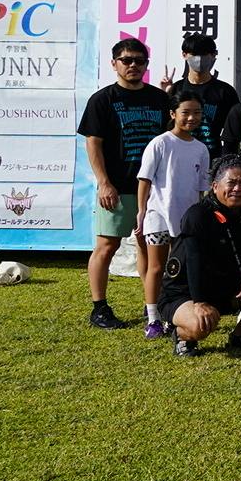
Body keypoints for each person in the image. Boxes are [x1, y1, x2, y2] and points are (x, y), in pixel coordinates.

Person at [78, 38, 171, 329]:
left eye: (139, 61)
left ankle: (152, 304)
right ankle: (99, 308)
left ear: (146, 64)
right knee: (107, 245)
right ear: (114, 63)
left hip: (153, 188)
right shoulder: (102, 99)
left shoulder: (160, 99)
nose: (133, 65)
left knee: (148, 244)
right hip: (118, 187)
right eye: (126, 60)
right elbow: (93, 143)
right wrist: (104, 182)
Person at [160, 156, 241, 357]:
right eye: (231, 183)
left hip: (227, 289)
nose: (237, 189)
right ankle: (182, 334)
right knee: (200, 326)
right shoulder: (198, 215)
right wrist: (200, 302)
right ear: (215, 186)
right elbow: (194, 262)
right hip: (185, 293)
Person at [135, 88, 212, 339]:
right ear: (173, 114)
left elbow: (201, 189)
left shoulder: (201, 149)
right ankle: (153, 318)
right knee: (157, 267)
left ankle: (172, 314)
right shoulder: (160, 143)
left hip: (186, 220)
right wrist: (142, 211)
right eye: (185, 112)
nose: (191, 118)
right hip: (158, 215)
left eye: (197, 113)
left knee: (178, 269)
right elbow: (145, 179)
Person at [158, 32, 239, 158]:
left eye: (204, 54)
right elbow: (165, 126)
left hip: (212, 159)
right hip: (178, 157)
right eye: (195, 54)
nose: (199, 58)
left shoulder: (226, 92)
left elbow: (233, 133)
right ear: (184, 55)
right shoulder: (175, 89)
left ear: (213, 55)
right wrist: (164, 95)